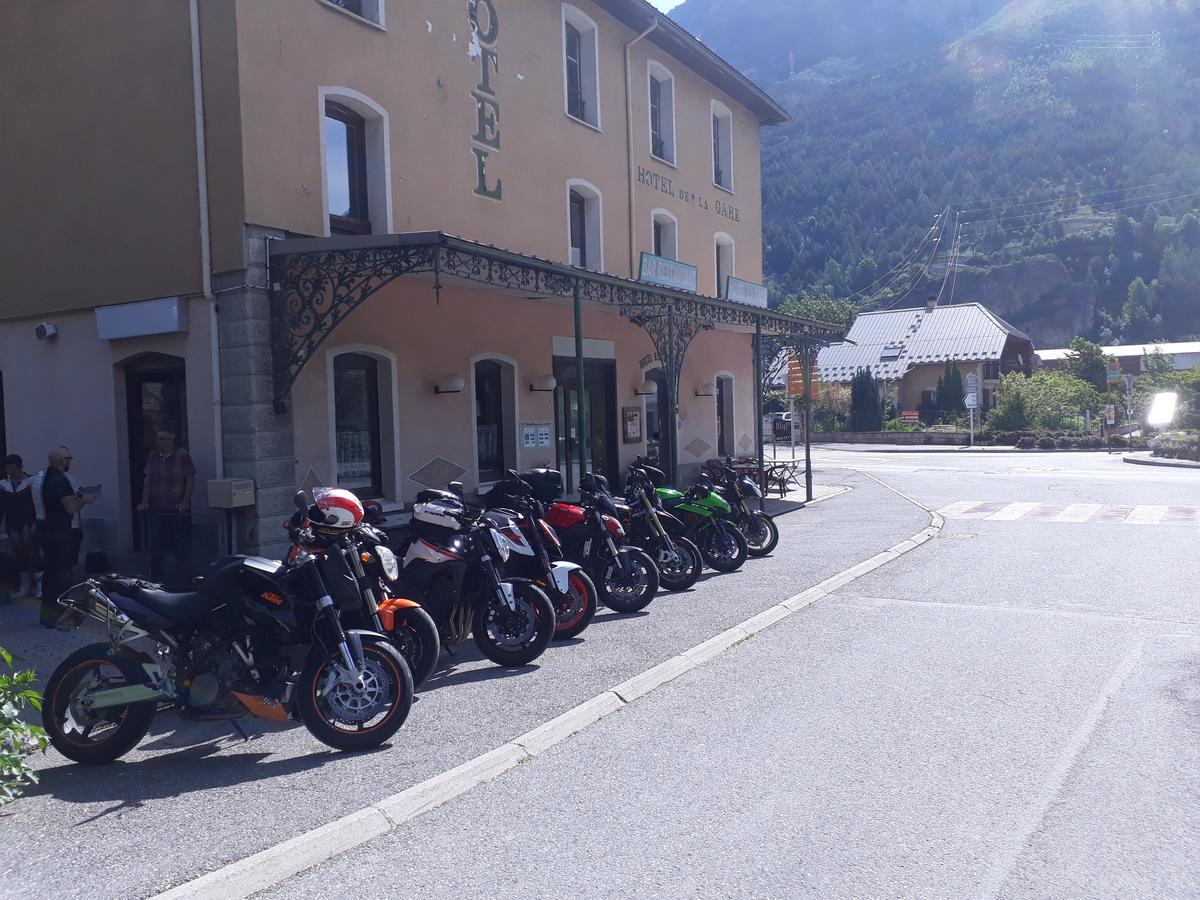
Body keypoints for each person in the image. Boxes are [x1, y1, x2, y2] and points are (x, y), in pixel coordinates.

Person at [37, 446, 95, 627]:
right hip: (61, 533)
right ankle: (61, 617)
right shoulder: (60, 480)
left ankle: (47, 618)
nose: (70, 461)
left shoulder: (46, 477)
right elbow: (70, 508)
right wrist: (85, 500)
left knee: (50, 575)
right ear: (63, 461)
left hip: (48, 531)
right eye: (69, 458)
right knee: (62, 577)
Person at [138, 425, 196, 585]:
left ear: (171, 440)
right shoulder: (153, 455)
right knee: (156, 544)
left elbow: (190, 479)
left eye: (162, 438)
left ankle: (183, 580)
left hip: (176, 507)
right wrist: (144, 501)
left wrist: (185, 502)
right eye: (157, 438)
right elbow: (147, 479)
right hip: (156, 507)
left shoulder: (182, 456)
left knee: (180, 545)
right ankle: (157, 580)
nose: (158, 441)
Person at [0, 454, 40, 599]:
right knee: (17, 553)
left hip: (30, 521)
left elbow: (39, 503)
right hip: (12, 523)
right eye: (8, 470)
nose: (11, 473)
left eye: (13, 470)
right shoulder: (3, 484)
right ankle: (25, 585)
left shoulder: (32, 481)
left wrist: (38, 521)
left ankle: (39, 585)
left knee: (33, 551)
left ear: (20, 467)